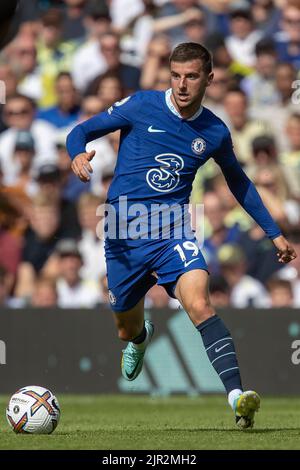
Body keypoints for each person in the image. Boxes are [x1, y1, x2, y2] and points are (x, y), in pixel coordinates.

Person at [67, 42, 297, 429]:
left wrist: (274, 232)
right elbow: (83, 130)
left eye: (191, 76)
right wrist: (77, 153)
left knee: (200, 303)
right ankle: (140, 340)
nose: (182, 84)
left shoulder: (215, 132)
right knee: (125, 327)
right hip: (123, 233)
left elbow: (239, 183)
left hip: (173, 230)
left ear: (209, 78)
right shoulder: (141, 106)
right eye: (175, 75)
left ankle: (238, 400)